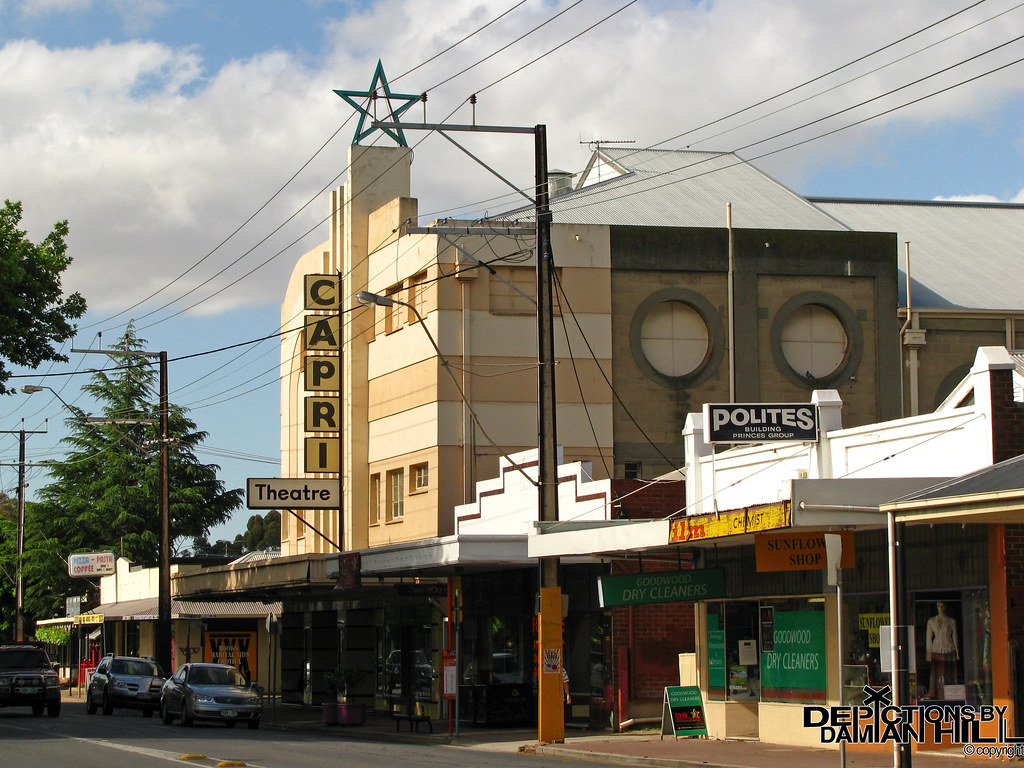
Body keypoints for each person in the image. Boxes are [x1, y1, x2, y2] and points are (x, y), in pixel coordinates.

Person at [925, 601, 959, 698]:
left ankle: (951, 695)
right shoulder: (931, 621)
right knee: (936, 675)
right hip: (936, 650)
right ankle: (936, 694)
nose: (940, 608)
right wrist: (928, 655)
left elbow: (955, 637)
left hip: (949, 649)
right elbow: (929, 638)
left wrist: (957, 653)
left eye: (942, 606)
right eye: (938, 606)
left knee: (949, 674)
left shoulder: (951, 621)